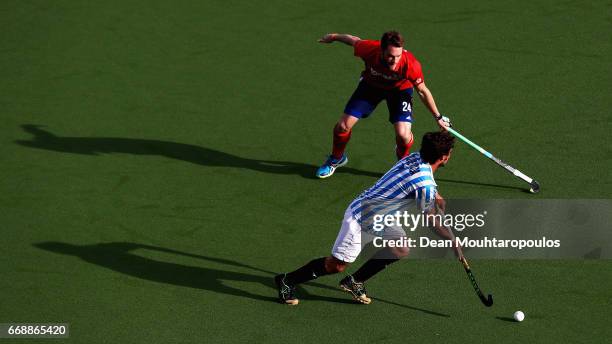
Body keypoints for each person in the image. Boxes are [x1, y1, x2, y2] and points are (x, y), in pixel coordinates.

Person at [275, 131, 460, 305]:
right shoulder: (425, 184)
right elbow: (430, 219)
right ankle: (287, 280)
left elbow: (421, 184)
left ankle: (354, 281)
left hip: (383, 216)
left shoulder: (417, 157)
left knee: (400, 248)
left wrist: (435, 195)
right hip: (361, 218)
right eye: (450, 152)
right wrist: (452, 240)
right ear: (444, 156)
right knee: (336, 265)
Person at [315, 30, 451, 179]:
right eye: (390, 56)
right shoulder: (369, 49)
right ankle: (337, 158)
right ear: (382, 50)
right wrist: (333, 37)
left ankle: (402, 162)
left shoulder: (411, 64)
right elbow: (353, 40)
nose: (394, 61)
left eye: (398, 56)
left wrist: (438, 117)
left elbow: (423, 91)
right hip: (371, 86)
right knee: (342, 126)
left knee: (403, 136)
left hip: (400, 91)